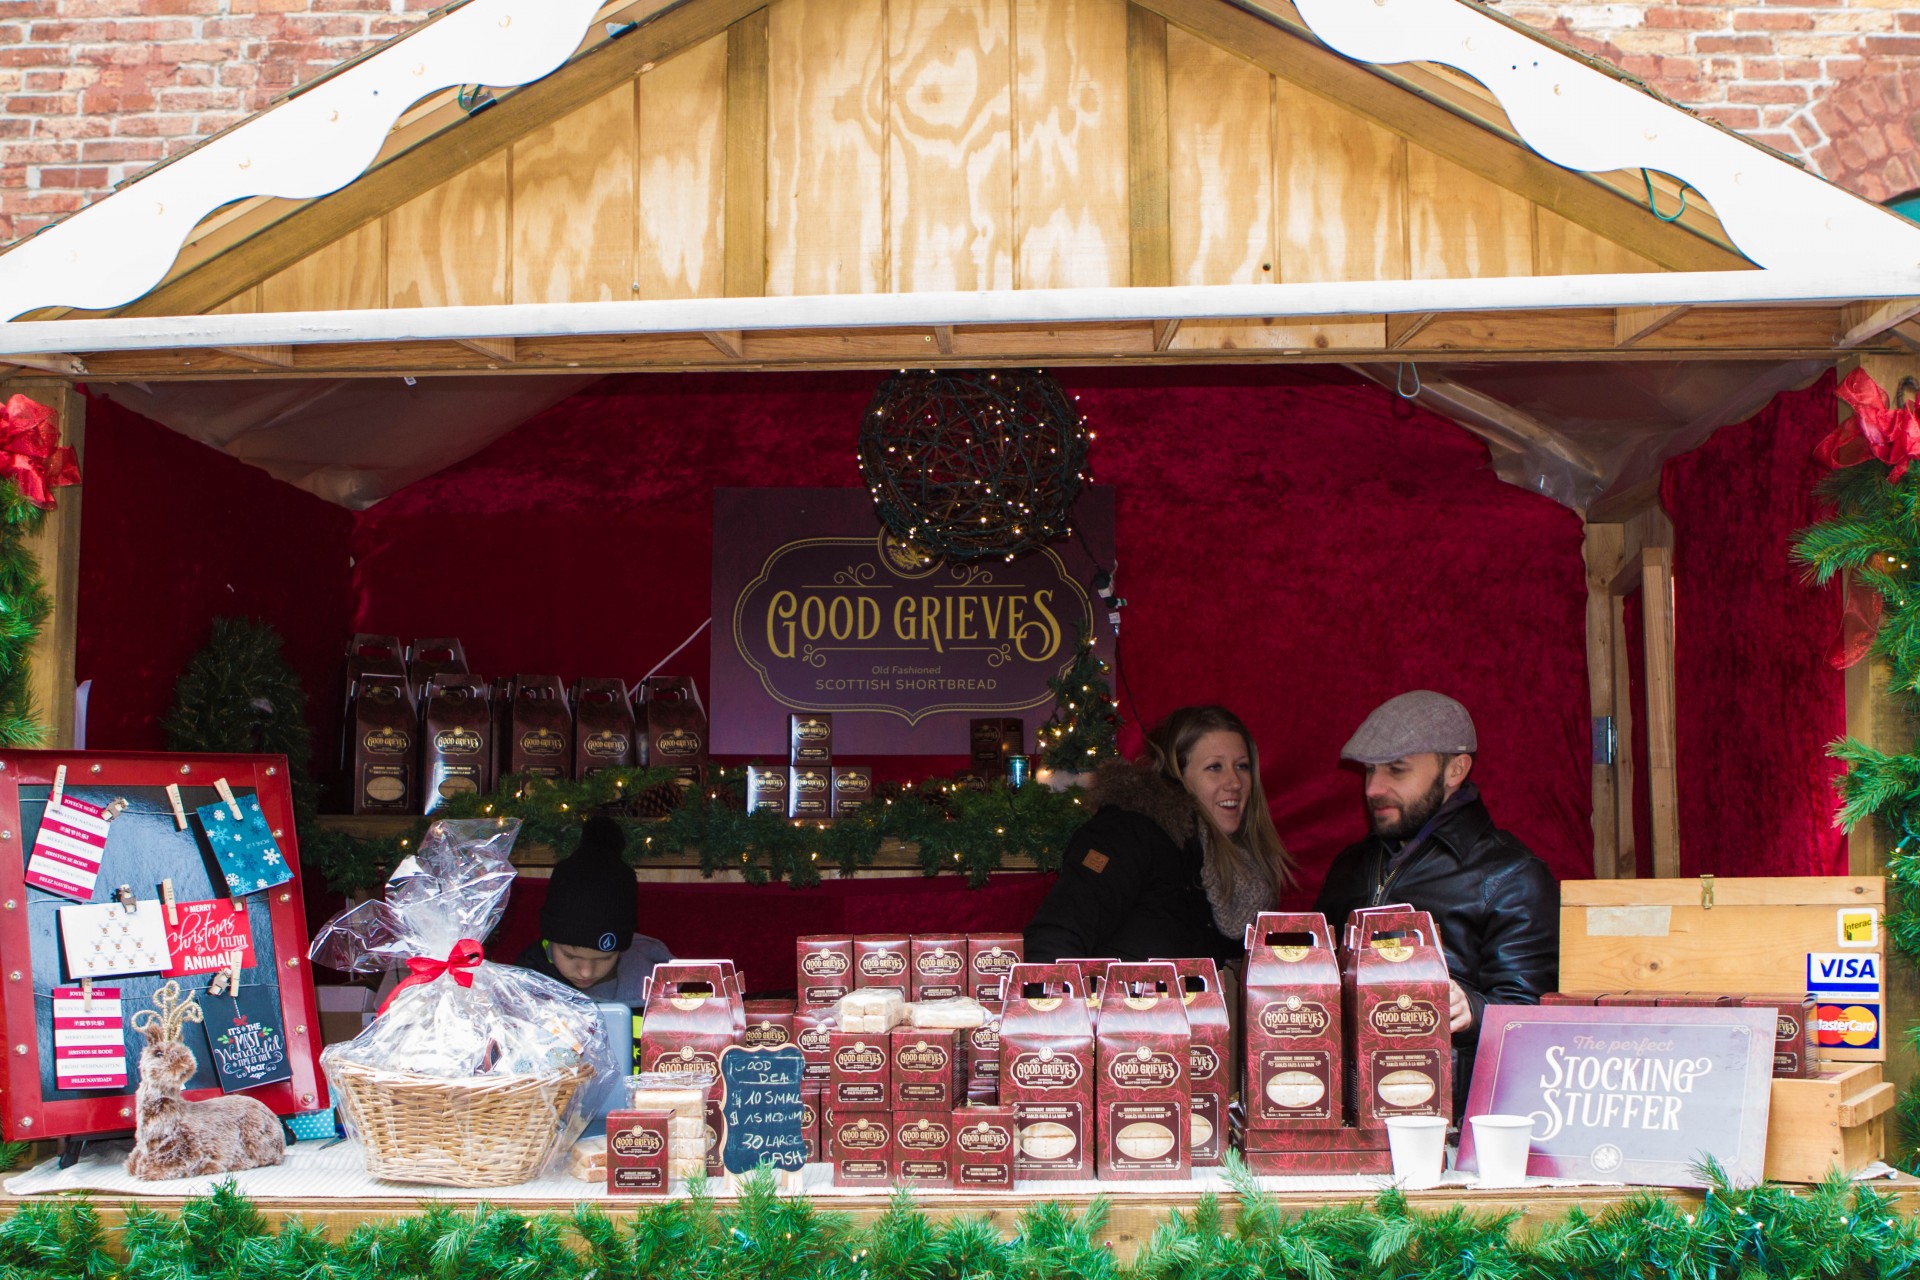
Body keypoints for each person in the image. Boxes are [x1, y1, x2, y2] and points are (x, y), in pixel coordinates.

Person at [1313, 690, 1558, 1107]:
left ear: (1455, 769)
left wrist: (1474, 1011)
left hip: (1455, 1123)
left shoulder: (1512, 875)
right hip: (1346, 1112)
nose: (1374, 788)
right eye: (1370, 770)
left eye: (1397, 769)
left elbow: (1536, 1022)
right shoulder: (1349, 866)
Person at [1025, 705, 1293, 966]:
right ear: (1176, 774)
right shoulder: (1127, 835)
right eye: (1215, 767)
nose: (1235, 782)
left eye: (1242, 766)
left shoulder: (1244, 867)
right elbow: (1052, 943)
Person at [512, 815, 673, 1004]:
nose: (586, 971)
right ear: (550, 939)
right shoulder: (525, 980)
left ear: (621, 949)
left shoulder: (656, 983)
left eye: (604, 958)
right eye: (570, 956)